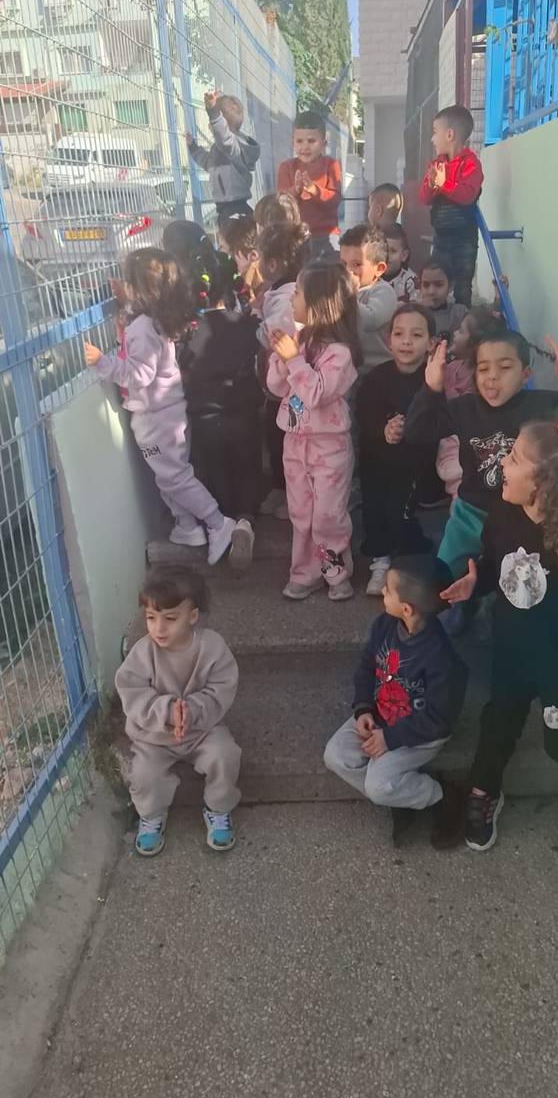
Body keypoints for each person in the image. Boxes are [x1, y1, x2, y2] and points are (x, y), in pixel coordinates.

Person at [437, 418, 558, 855]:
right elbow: (494, 565)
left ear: (543, 485)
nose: (502, 463)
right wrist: (475, 582)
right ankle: (484, 791)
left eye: (513, 458)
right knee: (498, 723)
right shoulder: (502, 514)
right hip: (513, 651)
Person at [404, 328, 558, 581]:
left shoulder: (543, 406)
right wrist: (431, 388)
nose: (492, 376)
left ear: (525, 374)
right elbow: (416, 431)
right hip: (470, 512)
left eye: (504, 367)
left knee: (508, 582)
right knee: (444, 578)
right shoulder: (465, 408)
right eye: (483, 369)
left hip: (521, 517)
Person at [84, 249, 236, 567]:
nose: (125, 287)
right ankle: (187, 527)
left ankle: (218, 523)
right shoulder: (154, 321)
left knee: (174, 478)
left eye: (129, 282)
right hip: (166, 414)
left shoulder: (142, 328)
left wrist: (102, 362)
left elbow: (139, 375)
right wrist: (124, 301)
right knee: (168, 476)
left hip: (157, 420)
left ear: (141, 289)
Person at [323, 554, 469, 846]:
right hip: (380, 715)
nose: (382, 592)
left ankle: (442, 797)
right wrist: (364, 708)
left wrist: (390, 738)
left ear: (406, 608)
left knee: (379, 786)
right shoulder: (384, 626)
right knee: (336, 755)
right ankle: (402, 798)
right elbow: (367, 667)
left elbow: (439, 719)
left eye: (388, 590)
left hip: (419, 733)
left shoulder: (441, 659)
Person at [116, 566, 241, 856]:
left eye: (170, 619)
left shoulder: (212, 647)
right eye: (151, 618)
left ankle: (218, 808)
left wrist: (193, 710)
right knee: (143, 774)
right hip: (154, 736)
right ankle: (152, 815)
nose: (159, 628)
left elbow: (222, 687)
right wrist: (166, 711)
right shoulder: (143, 651)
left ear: (192, 616)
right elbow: (131, 691)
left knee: (225, 755)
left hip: (202, 730)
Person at [266, 262, 361, 601]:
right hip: (295, 444)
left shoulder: (340, 354)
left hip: (329, 448)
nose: (291, 298)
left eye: (298, 293)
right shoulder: (298, 341)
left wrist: (293, 360)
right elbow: (277, 388)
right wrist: (280, 359)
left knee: (327, 516)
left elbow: (317, 393)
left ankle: (335, 572)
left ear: (319, 302)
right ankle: (305, 574)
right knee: (301, 514)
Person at [175, 231, 263, 574]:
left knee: (215, 471)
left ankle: (222, 524)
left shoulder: (186, 333)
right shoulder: (245, 324)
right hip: (243, 413)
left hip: (204, 418)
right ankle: (245, 522)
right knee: (247, 468)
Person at [357, 304, 439, 595]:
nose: (406, 341)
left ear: (430, 343)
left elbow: (439, 419)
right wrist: (384, 429)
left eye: (416, 335)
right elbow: (363, 415)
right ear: (388, 339)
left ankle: (405, 558)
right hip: (377, 460)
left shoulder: (433, 380)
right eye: (399, 334)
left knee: (403, 510)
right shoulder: (376, 378)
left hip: (413, 463)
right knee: (375, 506)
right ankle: (380, 560)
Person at [256, 221, 311, 520]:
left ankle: (293, 496)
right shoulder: (279, 290)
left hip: (289, 387)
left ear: (273, 263)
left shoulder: (289, 296)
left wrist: (255, 319)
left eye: (259, 257)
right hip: (276, 386)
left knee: (288, 440)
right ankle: (281, 488)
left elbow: (272, 335)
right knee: (276, 437)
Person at [437, 309, 505, 501]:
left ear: (475, 345)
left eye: (460, 331)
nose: (454, 334)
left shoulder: (479, 379)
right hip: (445, 436)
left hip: (461, 441)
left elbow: (462, 408)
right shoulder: (454, 366)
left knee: (459, 485)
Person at [419, 104, 483, 307]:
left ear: (449, 135)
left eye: (435, 132)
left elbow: (467, 195)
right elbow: (424, 198)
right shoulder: (436, 165)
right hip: (441, 236)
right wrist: (431, 185)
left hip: (464, 237)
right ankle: (435, 315)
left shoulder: (471, 164)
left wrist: (443, 183)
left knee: (462, 284)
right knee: (437, 278)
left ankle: (461, 318)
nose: (432, 139)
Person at [186, 91, 260, 230]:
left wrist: (213, 111)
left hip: (234, 205)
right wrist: (193, 147)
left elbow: (223, 134)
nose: (210, 126)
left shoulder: (232, 148)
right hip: (225, 206)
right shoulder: (221, 150)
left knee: (234, 239)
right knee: (235, 239)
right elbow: (207, 162)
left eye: (212, 123)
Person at [277, 111, 342, 259]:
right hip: (296, 236)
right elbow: (281, 203)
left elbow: (335, 200)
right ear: (292, 142)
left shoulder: (331, 165)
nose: (305, 146)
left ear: (324, 143)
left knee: (329, 272)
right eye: (299, 141)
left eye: (311, 141)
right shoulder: (286, 167)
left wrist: (315, 191)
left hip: (327, 235)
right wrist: (295, 190)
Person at [339, 224, 397, 373]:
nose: (347, 271)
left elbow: (369, 321)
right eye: (343, 264)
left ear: (379, 269)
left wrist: (348, 294)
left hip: (377, 369)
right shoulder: (339, 292)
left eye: (356, 264)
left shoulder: (383, 291)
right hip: (346, 368)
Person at [218, 215, 263, 309]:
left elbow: (253, 307)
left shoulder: (254, 277)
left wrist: (246, 273)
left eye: (222, 247)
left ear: (252, 255)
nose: (220, 251)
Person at [417, 255, 464, 338]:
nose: (431, 292)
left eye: (439, 285)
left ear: (451, 286)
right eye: (426, 285)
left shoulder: (458, 314)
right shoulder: (414, 313)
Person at [384, 224, 418, 302]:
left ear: (404, 255)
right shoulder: (372, 278)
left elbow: (415, 306)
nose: (387, 255)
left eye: (393, 251)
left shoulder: (411, 281)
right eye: (384, 250)